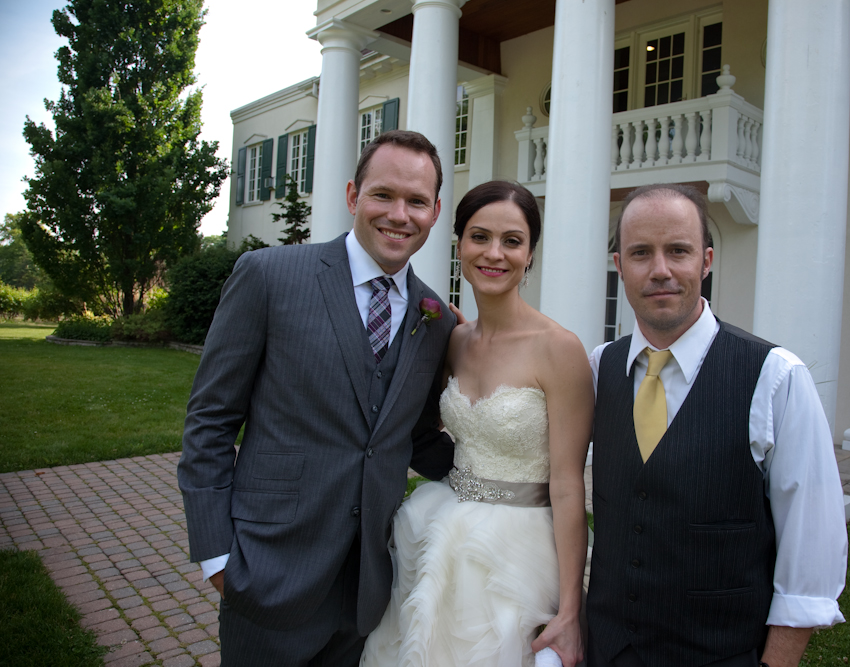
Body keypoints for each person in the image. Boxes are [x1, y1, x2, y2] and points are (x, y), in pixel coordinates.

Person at [177, 130, 458, 666]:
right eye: (383, 195)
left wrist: (497, 480)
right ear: (353, 196)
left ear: (435, 210)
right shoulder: (269, 277)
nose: (400, 214)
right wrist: (217, 557)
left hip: (369, 588)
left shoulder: (434, 316)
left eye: (417, 201)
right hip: (268, 573)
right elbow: (210, 420)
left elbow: (414, 434)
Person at [586, 184, 848, 667]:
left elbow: (811, 550)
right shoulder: (602, 367)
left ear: (706, 260)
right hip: (608, 649)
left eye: (678, 251)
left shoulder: (775, 376)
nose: (660, 270)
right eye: (641, 253)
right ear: (619, 265)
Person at [360, 181, 593, 667]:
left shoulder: (560, 349)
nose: (494, 253)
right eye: (479, 237)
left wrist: (571, 610)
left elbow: (569, 485)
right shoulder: (453, 337)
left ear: (530, 254)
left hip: (516, 551)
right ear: (460, 244)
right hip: (440, 526)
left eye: (512, 241)